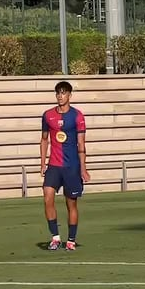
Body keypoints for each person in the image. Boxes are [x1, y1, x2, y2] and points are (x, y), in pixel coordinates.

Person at [40, 80, 90, 251]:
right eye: (58, 93)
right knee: (47, 196)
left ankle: (71, 240)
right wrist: (42, 163)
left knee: (71, 204)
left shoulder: (77, 116)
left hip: (71, 167)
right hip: (54, 165)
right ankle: (55, 238)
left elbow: (81, 144)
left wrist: (83, 168)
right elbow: (44, 139)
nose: (60, 96)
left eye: (63, 93)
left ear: (70, 95)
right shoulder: (47, 115)